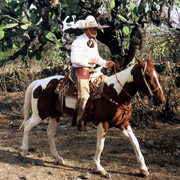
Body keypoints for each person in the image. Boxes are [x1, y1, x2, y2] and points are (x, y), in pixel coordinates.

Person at [70, 15, 114, 131]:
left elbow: (97, 58)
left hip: (93, 71)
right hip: (80, 71)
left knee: (103, 88)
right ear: (87, 29)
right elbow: (74, 60)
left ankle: (98, 116)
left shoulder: (93, 42)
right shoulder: (77, 42)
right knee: (84, 96)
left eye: (96, 29)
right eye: (93, 28)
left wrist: (105, 63)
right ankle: (79, 121)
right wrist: (89, 61)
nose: (96, 31)